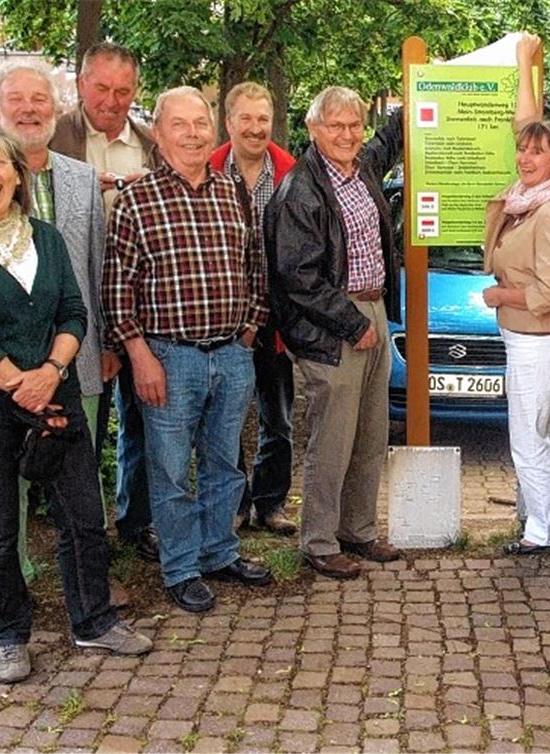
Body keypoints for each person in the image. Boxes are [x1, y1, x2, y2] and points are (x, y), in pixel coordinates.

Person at [0, 124, 152, 684]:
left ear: (19, 174)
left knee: (83, 517)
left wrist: (52, 372)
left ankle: (94, 619)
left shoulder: (47, 237)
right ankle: (8, 636)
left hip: (55, 397)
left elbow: (72, 313)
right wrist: (21, 384)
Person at [102, 87, 273, 613]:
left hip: (230, 353)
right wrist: (140, 354)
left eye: (200, 123)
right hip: (167, 358)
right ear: (159, 132)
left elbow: (255, 267)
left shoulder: (230, 192)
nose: (194, 133)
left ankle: (219, 550)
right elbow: (116, 287)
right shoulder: (137, 199)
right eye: (181, 124)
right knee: (172, 470)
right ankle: (180, 568)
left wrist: (249, 329)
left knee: (226, 465)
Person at [0, 59, 125, 595]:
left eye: (39, 99)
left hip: (76, 354)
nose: (28, 109)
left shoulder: (81, 177)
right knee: (5, 487)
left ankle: (87, 587)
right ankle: (12, 583)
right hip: (0, 363)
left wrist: (106, 340)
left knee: (78, 481)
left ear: (56, 107)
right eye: (16, 99)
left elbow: (96, 267)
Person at [266, 86, 403, 580]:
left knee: (371, 433)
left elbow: (390, 139)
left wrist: (422, 91)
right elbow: (296, 274)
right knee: (333, 439)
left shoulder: (361, 167)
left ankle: (358, 530)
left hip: (374, 311)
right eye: (335, 126)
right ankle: (319, 541)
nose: (346, 134)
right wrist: (352, 323)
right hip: (335, 326)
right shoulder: (299, 189)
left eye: (354, 125)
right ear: (313, 129)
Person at [50, 41, 160, 565]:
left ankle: (134, 523)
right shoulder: (54, 137)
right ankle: (81, 539)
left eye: (123, 91)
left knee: (139, 420)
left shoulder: (149, 143)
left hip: (139, 306)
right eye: (102, 88)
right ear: (80, 84)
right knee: (82, 431)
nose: (112, 101)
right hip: (75, 306)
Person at [482, 34, 550, 555]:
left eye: (537, 152)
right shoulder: (530, 197)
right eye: (522, 149)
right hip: (529, 340)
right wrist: (524, 63)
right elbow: (525, 121)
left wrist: (502, 296)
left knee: (529, 440)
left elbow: (549, 292)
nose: (525, 156)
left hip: (535, 339)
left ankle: (543, 532)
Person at [208, 81, 298, 536]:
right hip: (222, 315)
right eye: (246, 118)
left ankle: (271, 502)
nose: (255, 128)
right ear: (229, 122)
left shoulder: (289, 172)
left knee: (276, 416)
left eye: (263, 119)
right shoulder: (205, 169)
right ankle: (236, 502)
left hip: (276, 318)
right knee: (224, 416)